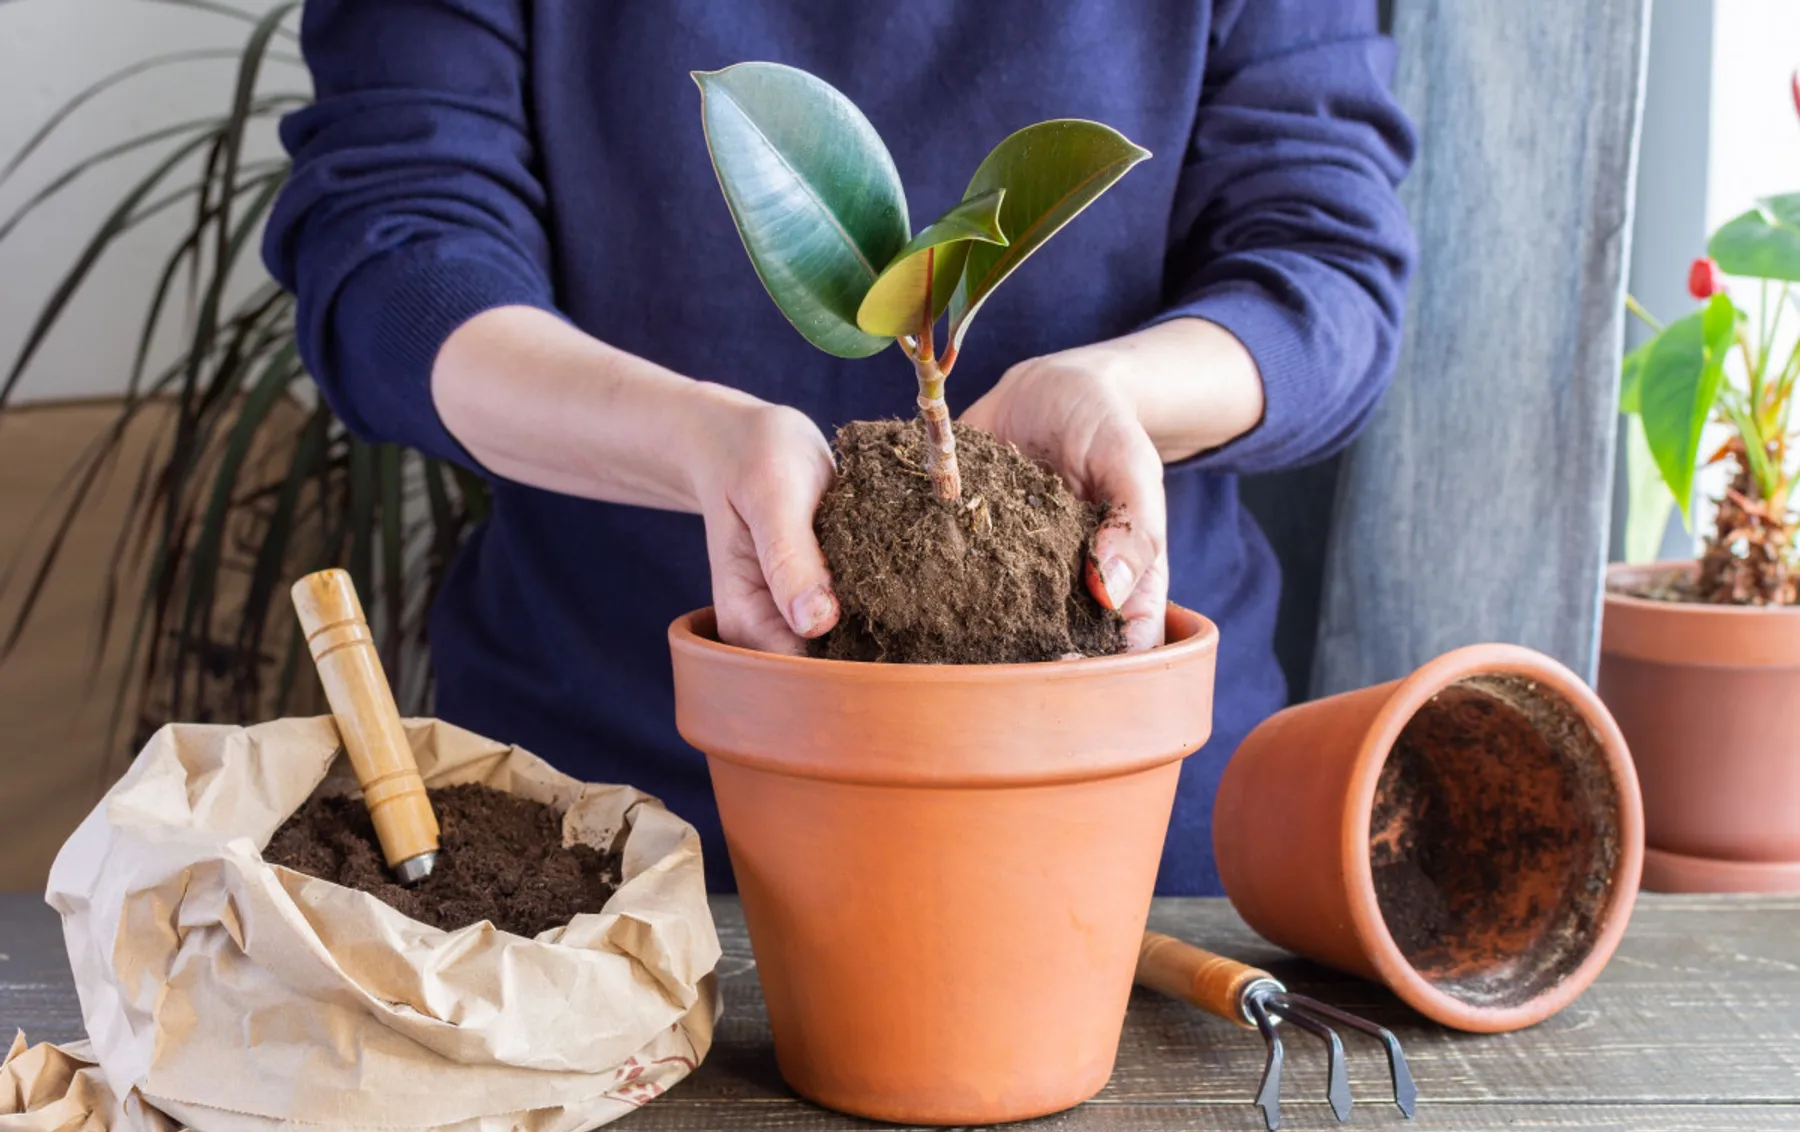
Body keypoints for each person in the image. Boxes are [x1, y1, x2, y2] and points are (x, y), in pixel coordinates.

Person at [264, 1, 1416, 894]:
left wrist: (1113, 390)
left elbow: (1326, 267)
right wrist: (691, 441)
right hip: (597, 823)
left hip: (1120, 822)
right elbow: (395, 253)